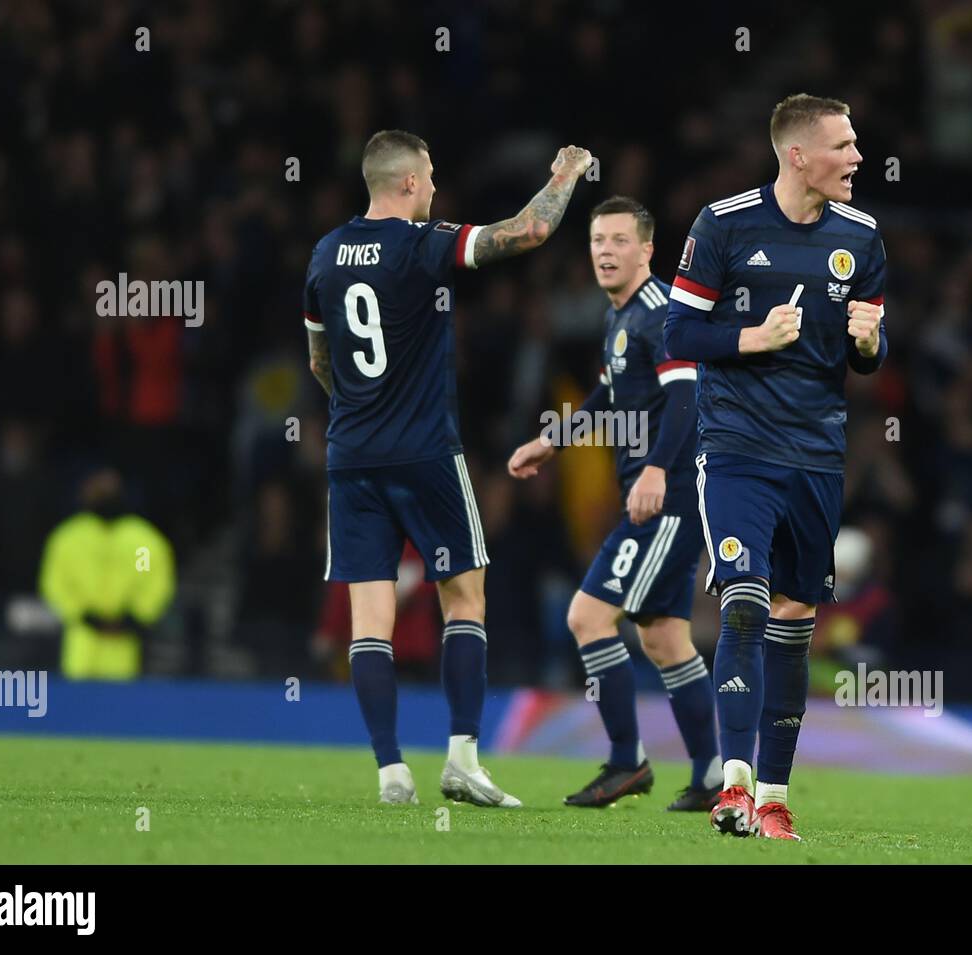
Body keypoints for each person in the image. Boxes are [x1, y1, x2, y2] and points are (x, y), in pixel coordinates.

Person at [303, 129, 592, 806]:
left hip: (352, 456)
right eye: (429, 176)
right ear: (406, 183)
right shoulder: (423, 242)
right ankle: (462, 757)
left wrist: (362, 411)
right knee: (464, 598)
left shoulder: (323, 254)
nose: (434, 187)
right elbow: (526, 232)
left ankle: (390, 772)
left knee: (367, 617)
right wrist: (568, 173)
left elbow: (321, 362)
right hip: (426, 452)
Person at [663, 95, 888, 839]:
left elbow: (866, 355)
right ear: (798, 155)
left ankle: (776, 798)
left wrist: (867, 344)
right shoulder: (722, 224)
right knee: (746, 600)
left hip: (817, 456)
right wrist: (750, 338)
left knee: (795, 616)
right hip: (735, 448)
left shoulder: (863, 238)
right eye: (844, 145)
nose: (858, 157)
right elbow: (680, 330)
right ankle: (732, 785)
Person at [508, 196, 721, 811]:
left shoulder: (665, 315)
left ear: (647, 250)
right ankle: (711, 777)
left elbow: (687, 400)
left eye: (619, 240)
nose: (605, 251)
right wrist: (554, 440)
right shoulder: (620, 318)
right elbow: (610, 391)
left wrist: (654, 469)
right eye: (598, 240)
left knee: (587, 618)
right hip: (660, 495)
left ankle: (627, 762)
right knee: (664, 639)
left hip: (669, 496)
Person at [39, 468, 175, 680]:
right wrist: (83, 615)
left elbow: (153, 581)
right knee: (78, 705)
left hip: (125, 645)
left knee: (121, 707)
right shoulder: (69, 538)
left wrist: (134, 617)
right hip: (81, 642)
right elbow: (55, 583)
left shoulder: (142, 542)